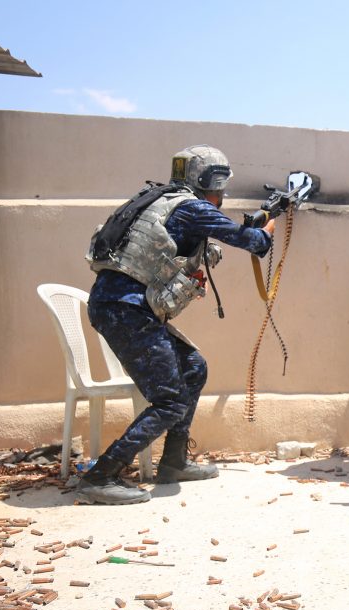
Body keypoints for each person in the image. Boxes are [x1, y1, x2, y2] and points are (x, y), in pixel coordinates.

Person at [77, 145, 275, 505]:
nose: (222, 194)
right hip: (129, 310)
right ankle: (101, 474)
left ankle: (174, 461)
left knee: (194, 368)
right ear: (207, 182)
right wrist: (267, 228)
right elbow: (252, 242)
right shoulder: (192, 207)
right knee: (169, 402)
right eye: (220, 185)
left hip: (120, 305)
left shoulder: (162, 201)